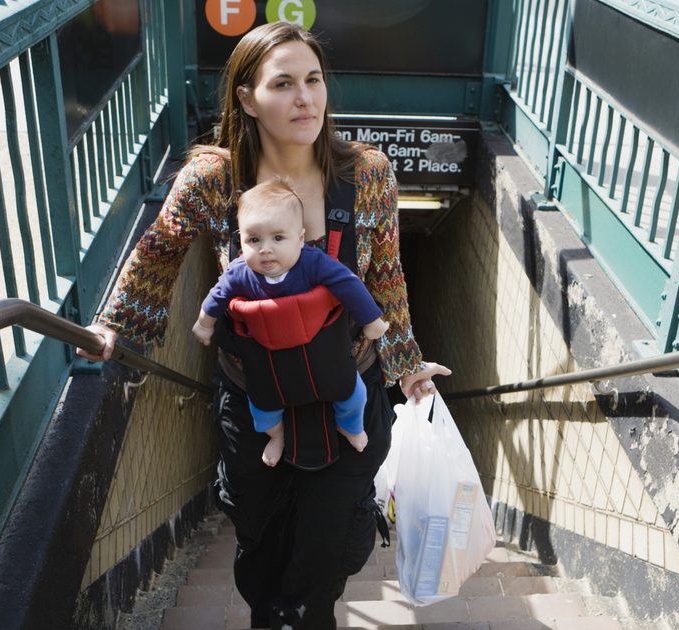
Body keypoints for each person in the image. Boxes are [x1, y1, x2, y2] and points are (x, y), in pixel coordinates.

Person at [77, 20, 451, 629]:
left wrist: (407, 366)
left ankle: (304, 614)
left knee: (330, 541)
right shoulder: (213, 180)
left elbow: (385, 277)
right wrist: (120, 325)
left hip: (345, 390)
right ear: (248, 99)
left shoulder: (367, 175)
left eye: (313, 80)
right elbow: (160, 248)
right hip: (254, 400)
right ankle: (274, 614)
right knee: (260, 538)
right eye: (283, 84)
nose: (305, 98)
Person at [192, 178, 390, 467]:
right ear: (241, 240)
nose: (265, 249)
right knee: (262, 408)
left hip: (321, 356)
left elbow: (349, 285)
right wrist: (204, 323)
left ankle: (350, 426)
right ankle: (277, 435)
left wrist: (371, 320)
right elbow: (217, 296)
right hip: (270, 364)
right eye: (253, 240)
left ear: (300, 238)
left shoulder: (313, 263)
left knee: (354, 393)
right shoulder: (239, 273)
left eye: (278, 238)